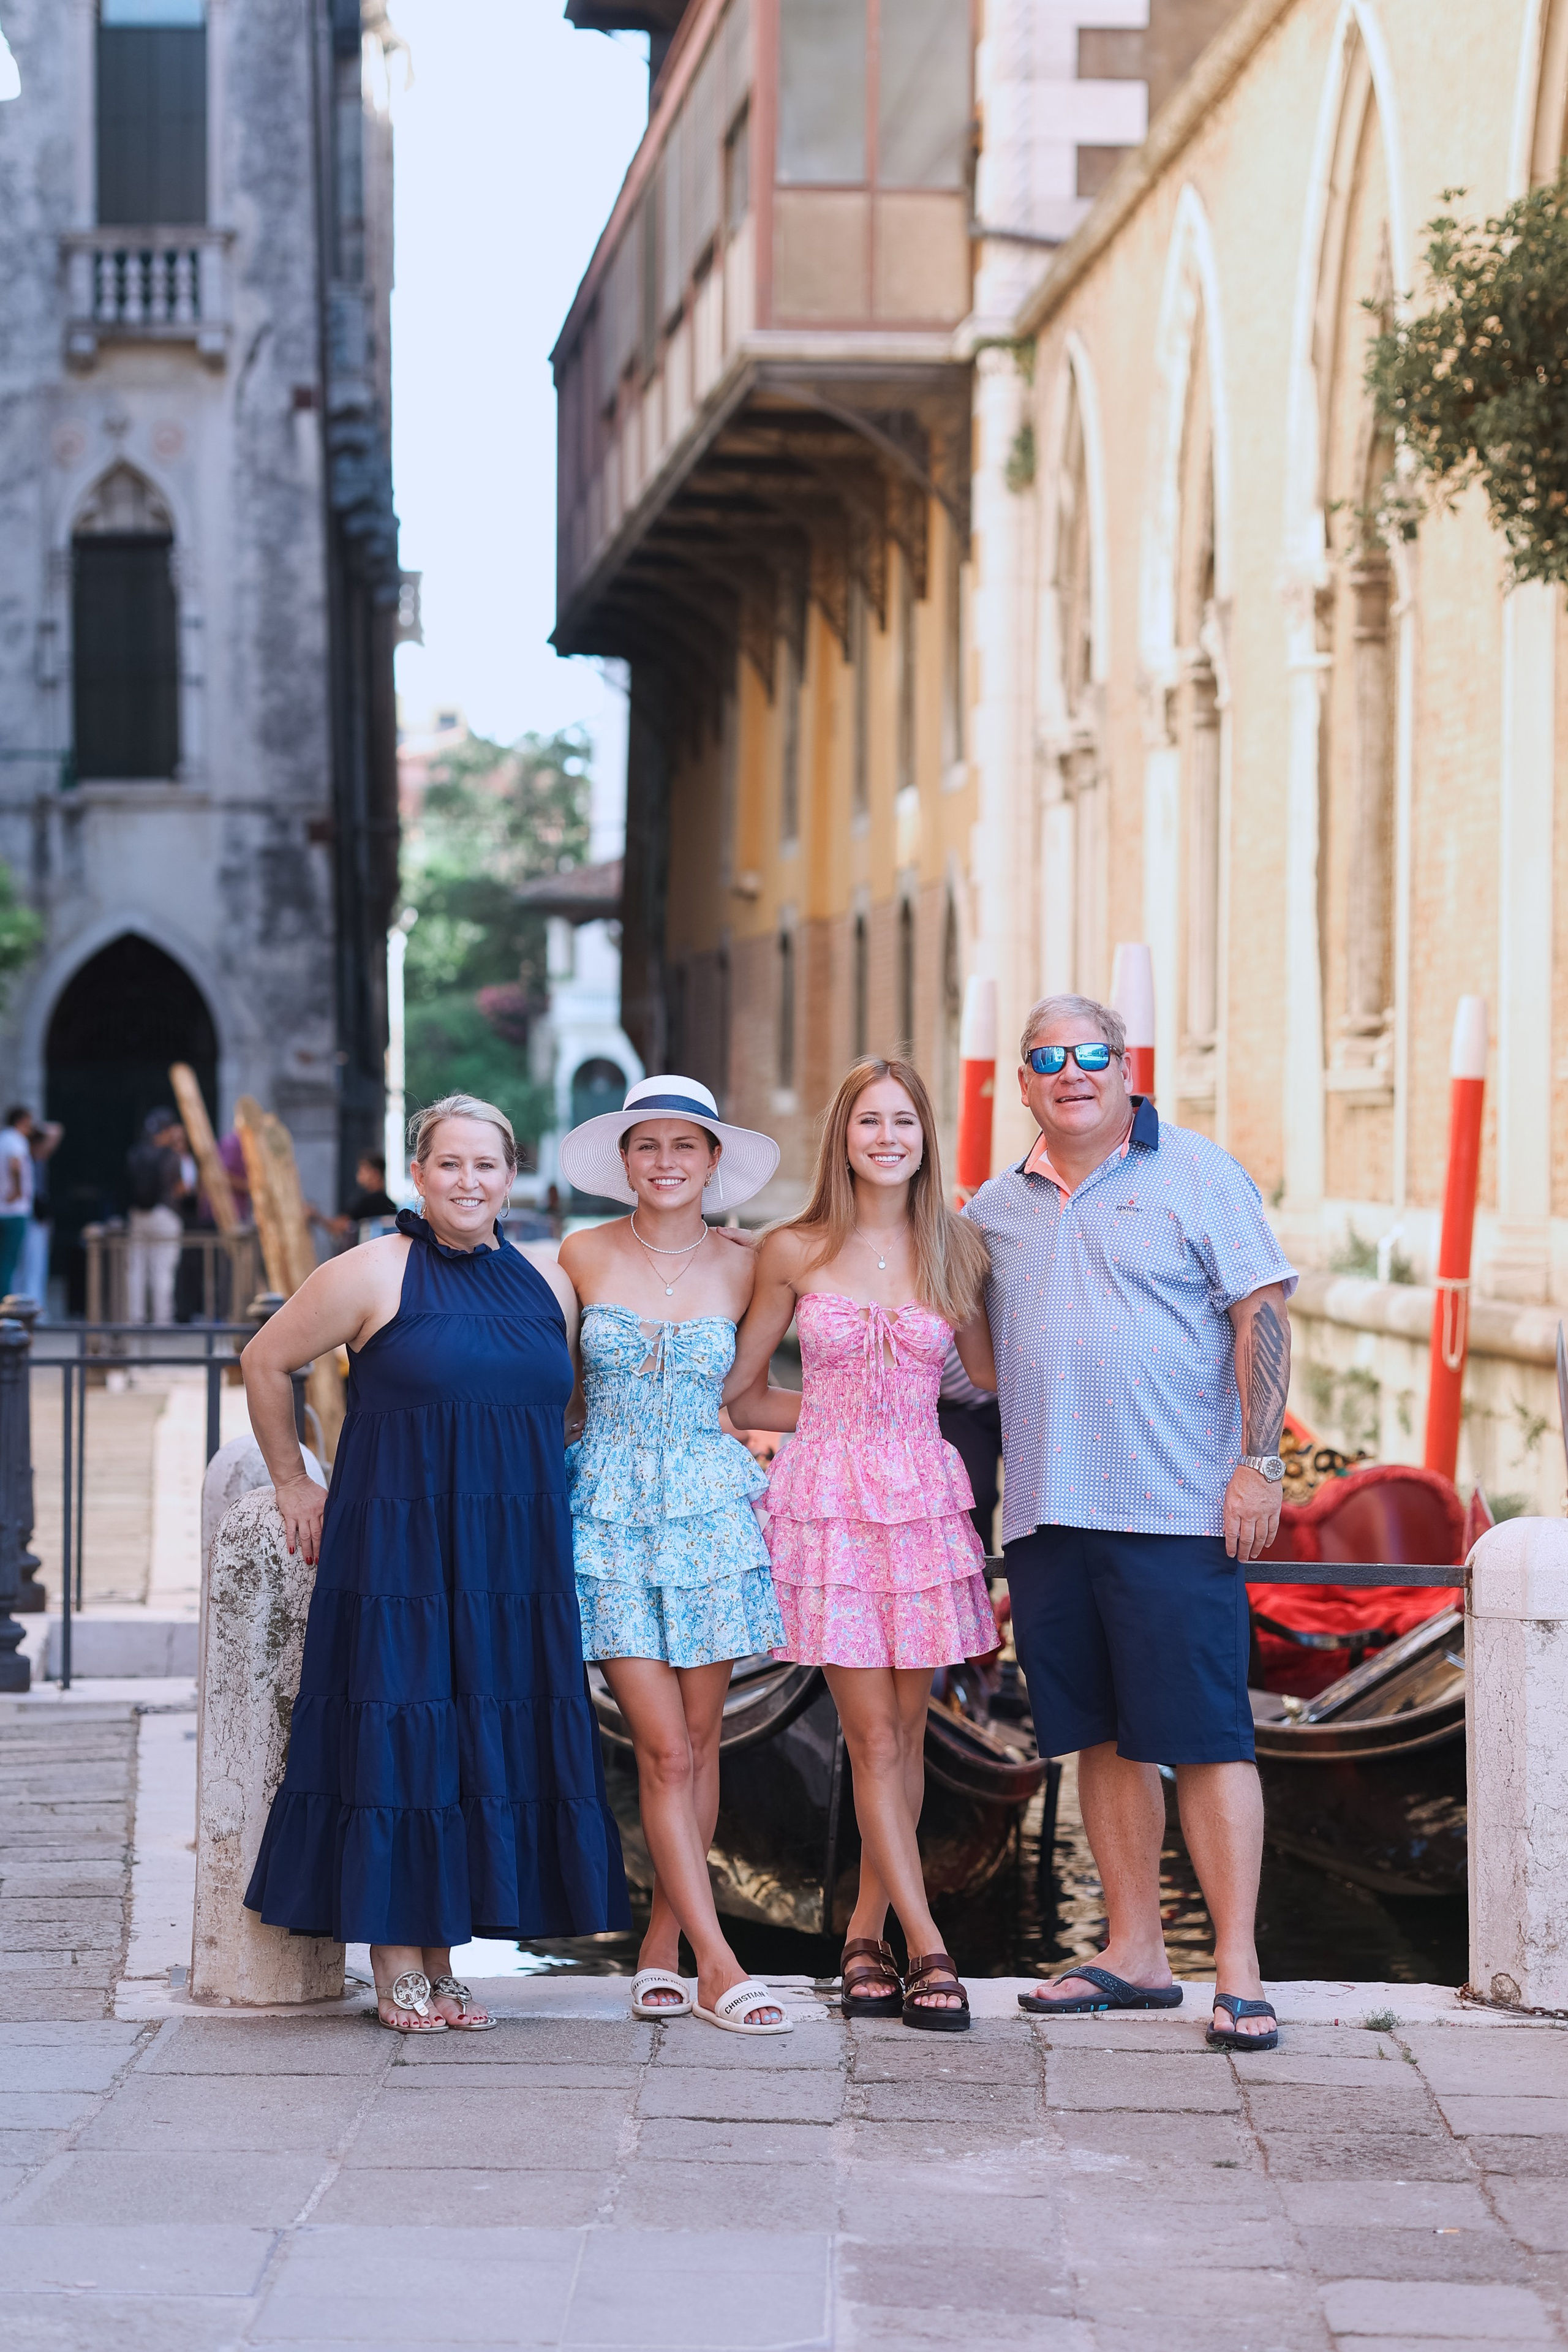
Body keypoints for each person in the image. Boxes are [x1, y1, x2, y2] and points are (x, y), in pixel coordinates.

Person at [242, 1092, 630, 2032]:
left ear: (512, 1176)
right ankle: (395, 1959)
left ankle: (446, 1959)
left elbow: (565, 1408)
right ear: (417, 1174)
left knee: (473, 1740)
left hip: (514, 1562)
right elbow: (265, 1361)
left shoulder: (550, 1284)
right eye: (449, 1163)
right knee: (405, 1730)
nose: (468, 1181)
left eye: (485, 1164)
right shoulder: (371, 1272)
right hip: (399, 1552)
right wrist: (294, 1482)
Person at [962, 993, 1296, 2052]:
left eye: (1091, 1054)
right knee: (1095, 1736)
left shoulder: (1197, 1173)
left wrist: (1260, 1465)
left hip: (1175, 1509)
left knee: (1206, 1737)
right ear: (1022, 1085)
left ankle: (1237, 1970)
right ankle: (1136, 1953)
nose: (1072, 1072)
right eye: (1047, 1058)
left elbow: (1262, 1315)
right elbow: (972, 1362)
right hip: (1047, 1511)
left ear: (1126, 1069)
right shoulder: (992, 1210)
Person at [727, 1058, 996, 2034]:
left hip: (921, 1500)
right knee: (873, 1734)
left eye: (904, 1122)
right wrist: (839, 1419)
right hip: (831, 1504)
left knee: (910, 1735)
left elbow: (992, 1377)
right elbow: (744, 1394)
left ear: (927, 1138)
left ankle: (861, 1934)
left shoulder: (960, 1250)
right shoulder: (793, 1248)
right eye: (870, 1121)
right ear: (843, 1137)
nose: (888, 1138)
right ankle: (929, 1946)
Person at [556, 1073, 794, 2037]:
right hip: (609, 1514)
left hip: (710, 1515)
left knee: (698, 1749)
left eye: (684, 1145)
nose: (665, 1161)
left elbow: (756, 1392)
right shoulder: (579, 1255)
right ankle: (723, 1966)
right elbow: (553, 1388)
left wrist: (879, 1418)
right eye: (647, 1145)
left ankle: (662, 1949)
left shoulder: (752, 1263)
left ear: (712, 1161)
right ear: (625, 1162)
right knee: (660, 1748)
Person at [125, 1110, 191, 1325]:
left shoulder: (136, 1153)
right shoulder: (171, 1156)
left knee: (136, 1270)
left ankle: (135, 1318)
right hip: (166, 1215)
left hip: (138, 1215)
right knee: (163, 1270)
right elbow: (180, 1189)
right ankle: (162, 1320)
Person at [307, 1151, 400, 1243]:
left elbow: (338, 1227)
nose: (359, 1176)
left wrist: (317, 1216)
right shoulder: (392, 1205)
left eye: (362, 1171)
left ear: (375, 1174)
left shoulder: (365, 1202)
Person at [0, 1107, 36, 1296]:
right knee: (8, 1262)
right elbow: (15, 1163)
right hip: (13, 1211)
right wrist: (17, 1190)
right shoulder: (16, 1140)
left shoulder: (3, 1139)